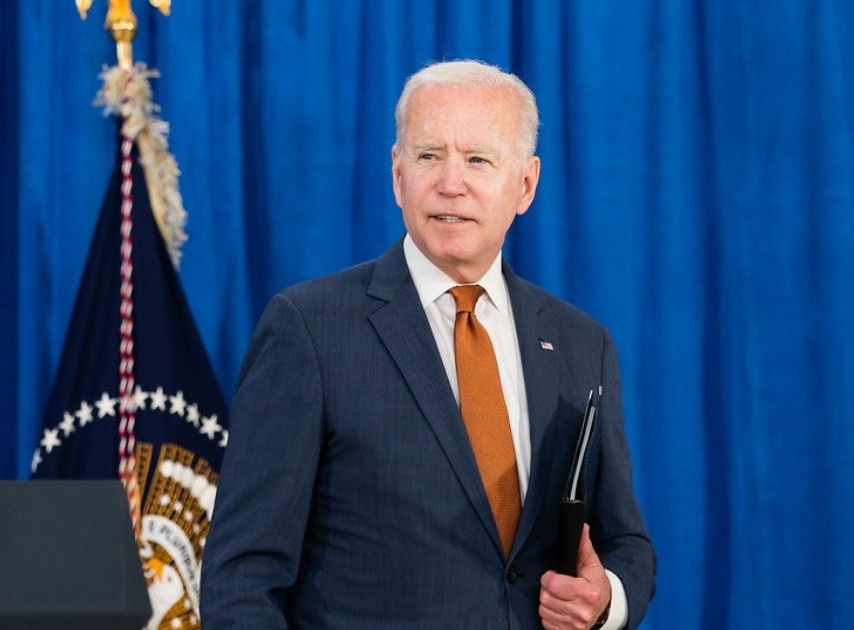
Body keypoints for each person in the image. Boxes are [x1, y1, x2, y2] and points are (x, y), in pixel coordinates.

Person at [200, 59, 655, 629]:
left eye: (478, 160)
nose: (450, 183)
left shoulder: (581, 342)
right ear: (397, 174)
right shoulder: (309, 328)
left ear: (526, 184)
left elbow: (625, 543)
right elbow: (242, 576)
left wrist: (605, 600)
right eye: (428, 156)